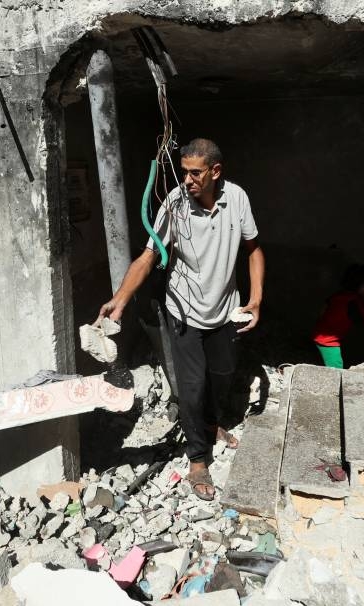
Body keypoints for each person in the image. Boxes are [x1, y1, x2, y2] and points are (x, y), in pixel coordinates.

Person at [96, 138, 265, 501]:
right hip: (184, 312)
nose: (186, 180)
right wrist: (120, 300)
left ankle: (210, 425)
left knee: (221, 378)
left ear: (215, 172)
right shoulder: (174, 204)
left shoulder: (237, 199)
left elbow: (254, 250)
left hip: (224, 312)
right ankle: (198, 460)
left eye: (194, 173)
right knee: (191, 389)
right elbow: (147, 255)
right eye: (183, 172)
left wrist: (256, 300)